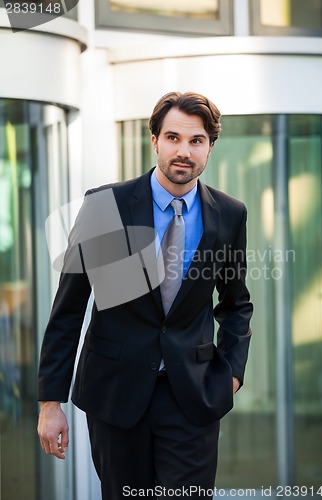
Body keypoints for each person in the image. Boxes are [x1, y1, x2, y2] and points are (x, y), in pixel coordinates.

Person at [37, 91, 253, 499]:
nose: (183, 151)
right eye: (173, 138)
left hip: (192, 395)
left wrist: (233, 374)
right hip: (116, 395)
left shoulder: (229, 214)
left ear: (209, 147)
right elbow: (68, 307)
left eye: (196, 141)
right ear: (154, 141)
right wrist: (51, 401)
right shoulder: (106, 206)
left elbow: (236, 303)